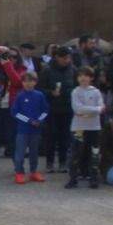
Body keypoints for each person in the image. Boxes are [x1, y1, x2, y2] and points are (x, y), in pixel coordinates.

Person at [40, 45, 78, 174]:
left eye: (68, 58)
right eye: (64, 58)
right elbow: (40, 89)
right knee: (51, 136)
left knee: (65, 137)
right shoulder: (47, 70)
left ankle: (63, 162)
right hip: (51, 109)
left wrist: (70, 92)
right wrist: (51, 93)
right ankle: (49, 162)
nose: (67, 60)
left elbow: (77, 87)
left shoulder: (73, 70)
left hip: (67, 108)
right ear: (57, 57)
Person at [66, 65, 103, 188]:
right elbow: (77, 108)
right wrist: (94, 110)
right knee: (76, 153)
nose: (83, 78)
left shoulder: (96, 92)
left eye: (86, 76)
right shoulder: (75, 92)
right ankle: (73, 178)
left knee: (94, 153)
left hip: (94, 127)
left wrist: (91, 111)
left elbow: (101, 108)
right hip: (78, 127)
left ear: (91, 78)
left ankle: (93, 178)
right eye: (80, 75)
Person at [11, 70, 47, 184]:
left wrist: (39, 120)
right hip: (23, 130)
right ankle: (19, 172)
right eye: (25, 81)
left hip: (36, 130)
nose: (27, 83)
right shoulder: (20, 96)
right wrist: (29, 121)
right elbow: (15, 112)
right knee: (20, 153)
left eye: (30, 81)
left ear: (35, 82)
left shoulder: (39, 95)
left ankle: (33, 172)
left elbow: (45, 110)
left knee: (34, 152)